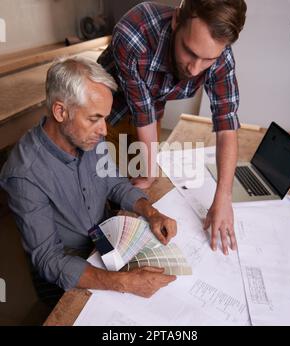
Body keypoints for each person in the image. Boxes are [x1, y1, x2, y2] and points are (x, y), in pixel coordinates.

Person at [0, 57, 177, 303]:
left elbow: (114, 182)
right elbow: (49, 259)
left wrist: (151, 212)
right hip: (68, 267)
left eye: (104, 118)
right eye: (94, 118)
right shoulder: (24, 174)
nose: (104, 130)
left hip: (104, 240)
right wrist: (125, 282)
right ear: (61, 111)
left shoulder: (87, 136)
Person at [98, 0, 247, 255]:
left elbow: (226, 126)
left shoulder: (221, 56)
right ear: (177, 20)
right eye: (189, 51)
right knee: (101, 187)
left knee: (139, 187)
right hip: (104, 114)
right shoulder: (135, 32)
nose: (194, 68)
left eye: (207, 59)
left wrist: (224, 197)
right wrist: (148, 173)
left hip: (148, 111)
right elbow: (141, 113)